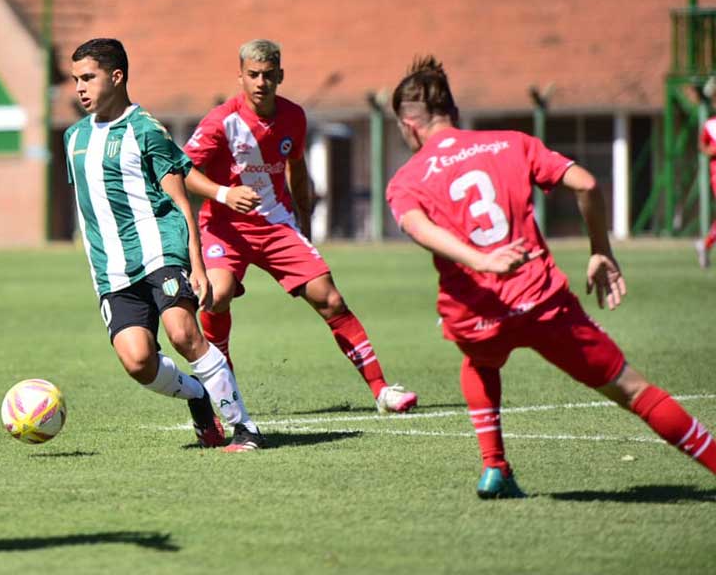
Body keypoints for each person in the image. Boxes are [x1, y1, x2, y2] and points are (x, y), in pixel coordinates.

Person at [385, 56, 716, 498]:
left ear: (408, 125)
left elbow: (417, 227)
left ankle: (494, 466)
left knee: (479, 358)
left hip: (476, 312)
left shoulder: (407, 178)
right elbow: (586, 184)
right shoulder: (511, 143)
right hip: (541, 300)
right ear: (454, 112)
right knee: (635, 391)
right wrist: (600, 250)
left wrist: (478, 261)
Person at [183, 39, 418, 413]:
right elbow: (183, 172)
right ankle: (221, 381)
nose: (261, 82)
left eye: (268, 75)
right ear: (240, 76)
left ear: (280, 76)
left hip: (276, 224)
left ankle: (381, 391)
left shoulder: (294, 117)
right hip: (224, 227)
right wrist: (225, 194)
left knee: (331, 299)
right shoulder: (220, 121)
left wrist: (303, 219)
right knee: (217, 294)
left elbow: (296, 166)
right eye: (253, 75)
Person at [65, 38, 265, 452]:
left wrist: (197, 265)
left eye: (88, 78)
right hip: (112, 270)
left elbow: (180, 200)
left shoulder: (145, 130)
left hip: (160, 250)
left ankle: (244, 428)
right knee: (137, 361)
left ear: (116, 77)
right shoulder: (73, 139)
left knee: (183, 333)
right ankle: (197, 396)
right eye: (75, 80)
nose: (79, 88)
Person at [696, 114, 716, 268]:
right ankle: (705, 244)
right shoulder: (710, 124)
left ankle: (705, 244)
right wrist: (712, 150)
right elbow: (702, 146)